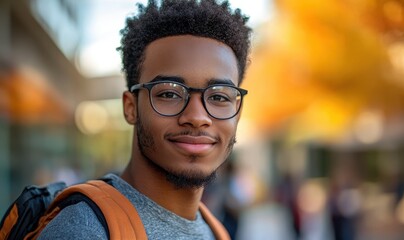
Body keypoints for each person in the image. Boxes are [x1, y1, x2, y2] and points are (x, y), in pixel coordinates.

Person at [38, 0, 252, 239]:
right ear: (131, 108)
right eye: (169, 93)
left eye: (219, 96)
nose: (197, 117)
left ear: (238, 111)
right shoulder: (83, 231)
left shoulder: (214, 229)